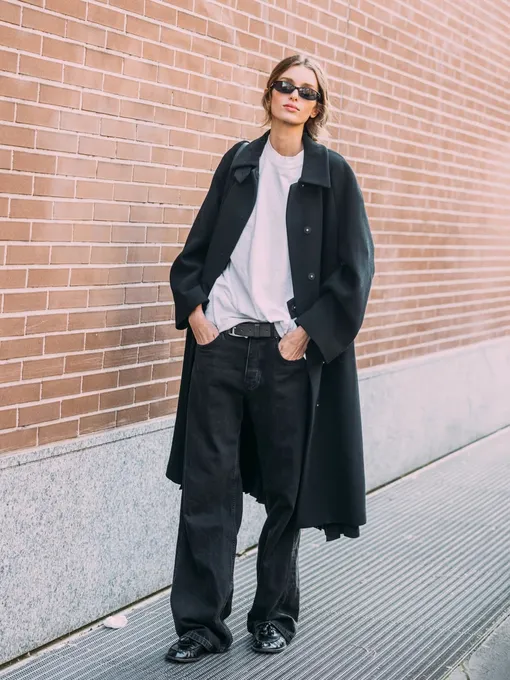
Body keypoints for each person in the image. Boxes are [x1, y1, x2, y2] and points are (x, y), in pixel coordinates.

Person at [164, 53, 375, 663]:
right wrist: (197, 313)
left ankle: (274, 616)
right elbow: (197, 249)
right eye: (284, 85)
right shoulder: (238, 163)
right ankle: (200, 625)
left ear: (316, 107)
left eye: (306, 91)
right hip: (222, 344)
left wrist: (306, 333)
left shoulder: (333, 174)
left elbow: (355, 270)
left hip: (287, 353)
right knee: (208, 488)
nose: (293, 96)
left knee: (287, 491)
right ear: (268, 95)